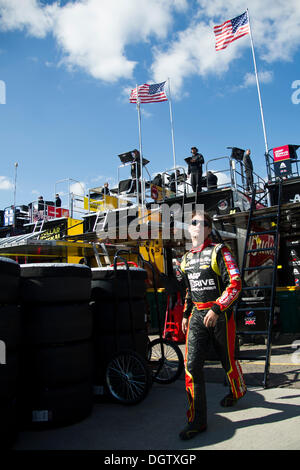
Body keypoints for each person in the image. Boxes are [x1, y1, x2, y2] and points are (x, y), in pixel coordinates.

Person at [179, 210, 246, 440]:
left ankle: (237, 390)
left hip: (220, 314)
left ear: (208, 228)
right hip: (198, 314)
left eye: (200, 223)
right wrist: (186, 314)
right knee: (192, 366)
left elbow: (235, 284)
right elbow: (189, 289)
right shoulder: (186, 258)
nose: (195, 226)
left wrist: (218, 308)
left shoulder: (220, 251)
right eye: (192, 223)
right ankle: (197, 420)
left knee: (227, 359)